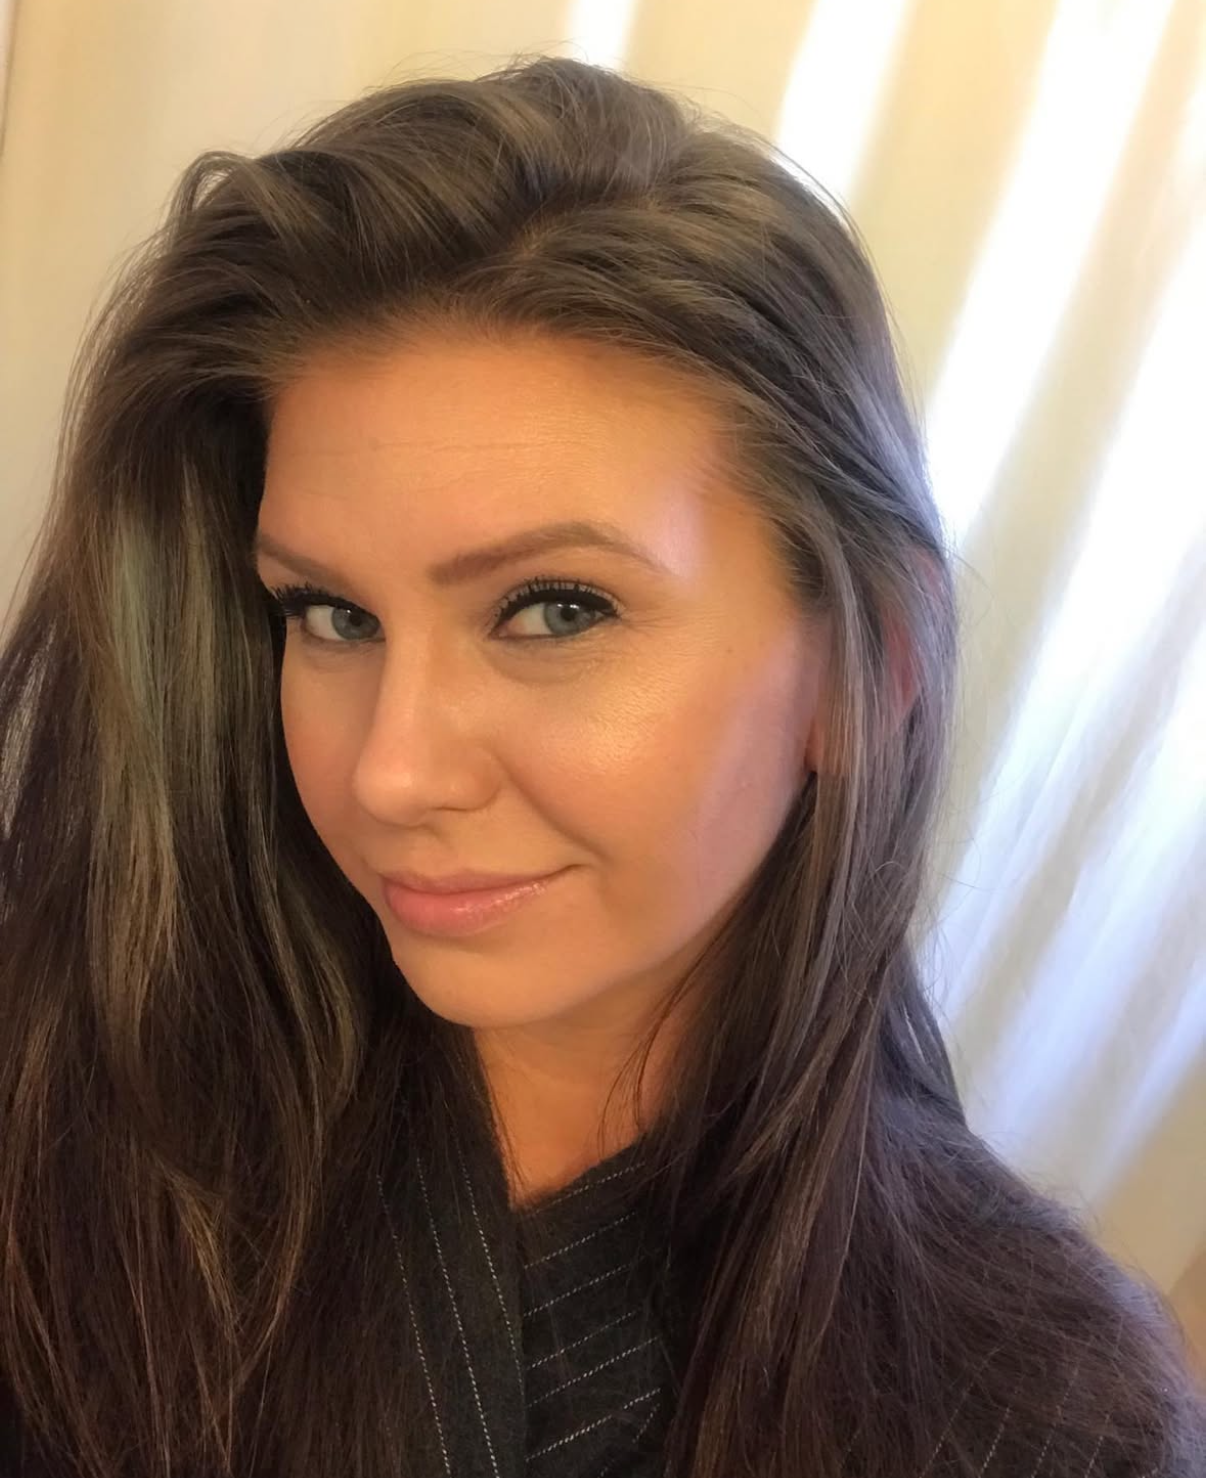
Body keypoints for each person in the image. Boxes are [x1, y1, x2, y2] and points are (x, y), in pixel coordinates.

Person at [0, 53, 1201, 1478]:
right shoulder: (76, 1090)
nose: (390, 774)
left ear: (864, 672)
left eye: (555, 609)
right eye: (331, 615)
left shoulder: (1046, 1413)